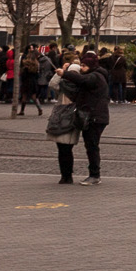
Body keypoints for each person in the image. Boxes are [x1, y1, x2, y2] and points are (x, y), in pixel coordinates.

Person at [54, 50, 111, 186]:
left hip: (95, 117)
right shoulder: (96, 75)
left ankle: (94, 175)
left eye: (84, 65)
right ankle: (93, 174)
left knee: (92, 146)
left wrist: (65, 74)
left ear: (91, 66)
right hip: (92, 116)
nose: (81, 68)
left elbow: (83, 79)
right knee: (90, 145)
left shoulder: (95, 76)